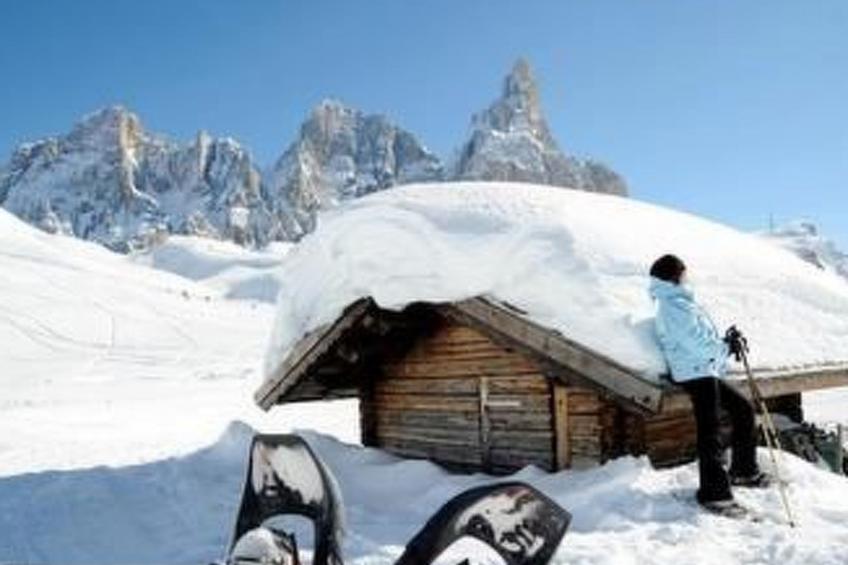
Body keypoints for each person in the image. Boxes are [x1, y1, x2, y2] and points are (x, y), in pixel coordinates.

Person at [648, 254, 770, 512]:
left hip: (704, 370)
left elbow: (702, 337)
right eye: (683, 273)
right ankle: (714, 492)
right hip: (694, 373)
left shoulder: (679, 302)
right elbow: (697, 343)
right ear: (674, 276)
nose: (686, 277)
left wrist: (726, 341)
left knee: (742, 409)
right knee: (710, 431)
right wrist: (725, 347)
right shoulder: (671, 307)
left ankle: (744, 470)